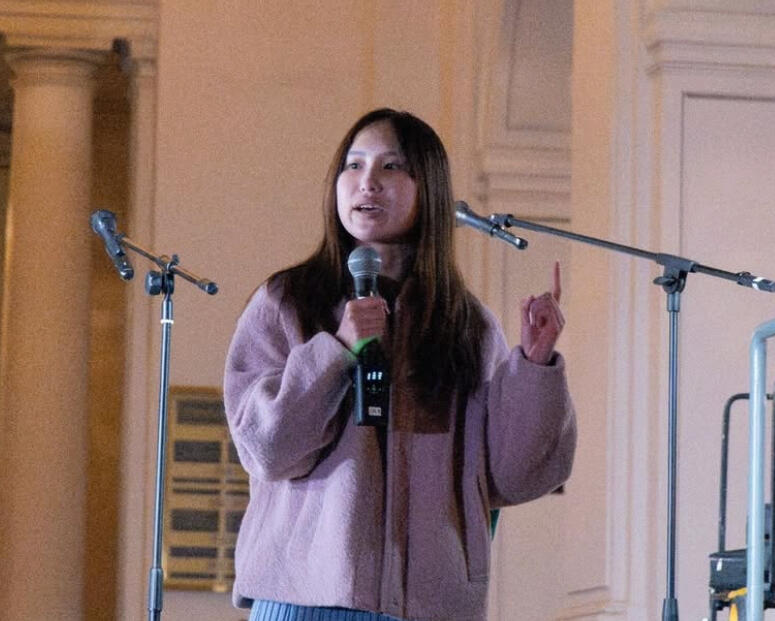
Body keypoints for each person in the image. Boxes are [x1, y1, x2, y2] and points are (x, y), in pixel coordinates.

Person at [223, 108, 576, 621]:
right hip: (308, 598)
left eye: (390, 166)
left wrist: (534, 367)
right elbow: (267, 449)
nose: (367, 181)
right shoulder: (289, 300)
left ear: (427, 188)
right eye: (353, 164)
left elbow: (515, 476)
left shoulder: (466, 323)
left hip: (430, 604)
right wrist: (337, 348)